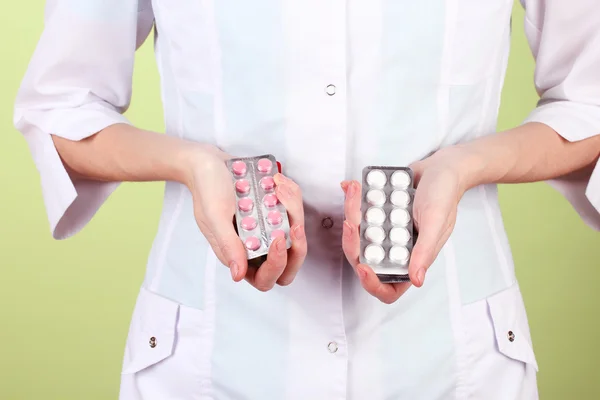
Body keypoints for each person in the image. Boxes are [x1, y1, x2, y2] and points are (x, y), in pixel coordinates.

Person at [13, 0, 600, 399]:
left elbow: (589, 101)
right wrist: (193, 164)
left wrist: (465, 165)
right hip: (215, 356)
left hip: (448, 356)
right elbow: (62, 104)